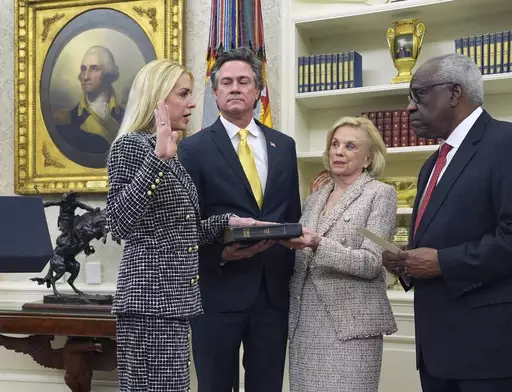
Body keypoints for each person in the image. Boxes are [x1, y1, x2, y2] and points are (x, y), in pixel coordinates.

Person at [382, 53, 512, 392]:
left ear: (453, 93)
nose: (409, 107)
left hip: (497, 350)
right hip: (440, 350)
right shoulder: (433, 163)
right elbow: (446, 238)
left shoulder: (511, 143)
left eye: (418, 94)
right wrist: (407, 260)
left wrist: (441, 263)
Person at [105, 59, 257, 392]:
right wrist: (156, 160)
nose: (191, 103)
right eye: (183, 94)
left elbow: (180, 230)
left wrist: (224, 223)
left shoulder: (171, 152)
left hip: (175, 304)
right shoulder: (131, 146)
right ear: (158, 98)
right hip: (147, 305)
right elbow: (118, 223)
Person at [178, 46, 301, 392]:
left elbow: (291, 212)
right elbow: (185, 226)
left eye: (244, 81)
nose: (235, 88)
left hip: (272, 295)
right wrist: (218, 254)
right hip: (217, 291)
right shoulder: (192, 149)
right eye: (227, 82)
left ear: (257, 91)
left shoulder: (284, 145)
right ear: (214, 92)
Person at [281, 116, 398, 392]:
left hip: (351, 331)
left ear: (368, 158)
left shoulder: (380, 195)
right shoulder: (314, 198)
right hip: (305, 326)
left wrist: (318, 243)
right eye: (334, 144)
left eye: (350, 146)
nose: (338, 151)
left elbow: (371, 262)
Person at [55, 46, 124, 155]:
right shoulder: (67, 120)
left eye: (94, 68)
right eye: (83, 69)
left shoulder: (126, 116)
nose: (85, 76)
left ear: (107, 73)